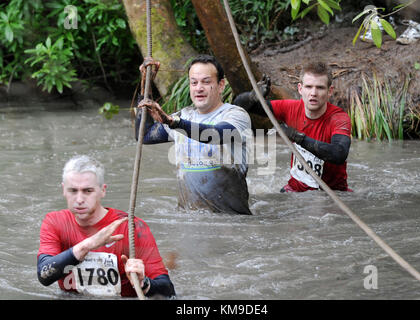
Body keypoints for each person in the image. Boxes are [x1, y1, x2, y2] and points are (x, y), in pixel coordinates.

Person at [37, 155, 176, 298]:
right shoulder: (54, 222)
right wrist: (87, 245)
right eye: (73, 190)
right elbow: (44, 275)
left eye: (88, 191)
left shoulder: (132, 227)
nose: (79, 200)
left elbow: (169, 292)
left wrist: (144, 283)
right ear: (63, 190)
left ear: (102, 190)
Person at [135, 54, 252, 215]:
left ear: (221, 85)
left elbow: (215, 135)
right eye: (194, 82)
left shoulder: (236, 115)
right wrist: (145, 87)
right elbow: (145, 135)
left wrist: (174, 123)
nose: (199, 88)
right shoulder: (184, 116)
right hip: (188, 220)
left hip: (230, 221)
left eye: (206, 82)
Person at [233, 61, 352, 193]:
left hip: (332, 194)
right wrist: (252, 97)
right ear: (300, 89)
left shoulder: (339, 118)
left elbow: (339, 154)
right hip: (294, 191)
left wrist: (298, 138)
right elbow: (239, 106)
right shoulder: (290, 108)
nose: (313, 93)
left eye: (320, 88)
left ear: (330, 91)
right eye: (308, 87)